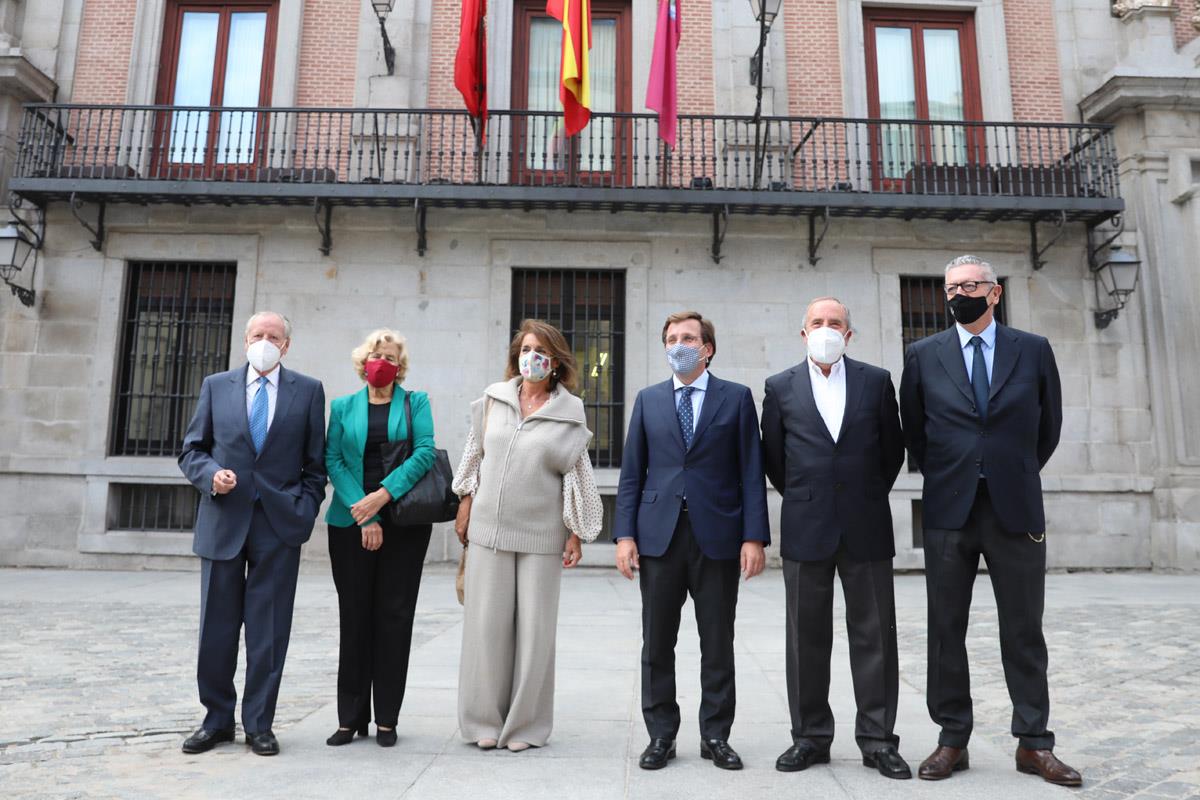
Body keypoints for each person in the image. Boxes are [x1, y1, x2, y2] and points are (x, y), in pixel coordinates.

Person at [899, 255, 1081, 786]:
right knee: (945, 628)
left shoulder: (1033, 350)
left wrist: (1011, 469)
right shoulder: (923, 355)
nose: (959, 295)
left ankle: (1034, 743)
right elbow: (915, 429)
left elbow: (1049, 426)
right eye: (951, 288)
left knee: (1023, 628)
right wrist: (954, 471)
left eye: (970, 286)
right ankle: (952, 738)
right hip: (948, 508)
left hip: (1014, 507)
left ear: (994, 293)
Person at [760, 297, 910, 779]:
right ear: (804, 333)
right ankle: (809, 737)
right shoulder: (779, 387)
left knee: (876, 635)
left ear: (848, 334)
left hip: (866, 523)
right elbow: (774, 458)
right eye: (818, 322)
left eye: (835, 323)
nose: (826, 329)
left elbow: (892, 451)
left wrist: (863, 493)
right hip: (807, 524)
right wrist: (809, 495)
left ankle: (878, 739)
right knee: (805, 637)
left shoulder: (876, 382)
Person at [614, 310, 770, 772]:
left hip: (717, 536)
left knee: (717, 641)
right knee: (657, 642)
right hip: (658, 536)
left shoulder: (736, 398)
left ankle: (715, 735)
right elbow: (631, 473)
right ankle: (661, 734)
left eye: (687, 338)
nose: (678, 345)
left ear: (707, 348)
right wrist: (624, 534)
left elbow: (751, 471)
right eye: (671, 338)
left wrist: (754, 537)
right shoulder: (648, 400)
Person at [178, 311, 326, 756]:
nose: (265, 341)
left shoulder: (309, 391)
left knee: (269, 631)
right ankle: (216, 720)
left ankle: (259, 723)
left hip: (278, 526)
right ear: (245, 341)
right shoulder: (216, 386)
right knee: (216, 630)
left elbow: (315, 466)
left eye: (274, 336)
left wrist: (303, 511)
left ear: (286, 345)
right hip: (223, 521)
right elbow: (192, 450)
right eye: (258, 334)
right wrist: (211, 476)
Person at [452, 319, 604, 752]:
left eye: (540, 351)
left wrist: (575, 533)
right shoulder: (492, 400)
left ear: (555, 362)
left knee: (535, 633)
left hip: (541, 536)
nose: (530, 357)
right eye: (525, 349)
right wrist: (464, 503)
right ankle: (483, 721)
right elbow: (473, 455)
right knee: (485, 629)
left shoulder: (570, 411)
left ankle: (525, 726)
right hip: (488, 532)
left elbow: (577, 474)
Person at [323, 329, 437, 748]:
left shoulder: (416, 403)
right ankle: (350, 718)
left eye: (390, 357)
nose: (382, 363)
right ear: (363, 361)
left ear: (399, 366)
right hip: (350, 522)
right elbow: (333, 459)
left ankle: (387, 718)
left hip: (404, 524)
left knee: (394, 618)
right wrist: (365, 512)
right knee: (354, 618)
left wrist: (383, 495)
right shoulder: (342, 406)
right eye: (376, 355)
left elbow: (425, 452)